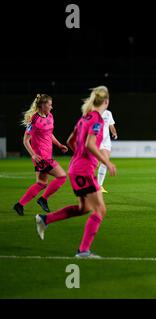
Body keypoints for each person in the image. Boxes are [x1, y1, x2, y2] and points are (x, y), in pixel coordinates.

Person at [35, 86, 116, 258]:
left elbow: (70, 140)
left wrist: (79, 156)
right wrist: (106, 162)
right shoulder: (97, 120)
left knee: (84, 208)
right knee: (100, 210)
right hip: (83, 171)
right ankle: (83, 251)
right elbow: (89, 144)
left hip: (75, 168)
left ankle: (45, 219)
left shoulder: (83, 118)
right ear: (106, 102)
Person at [13, 94, 68, 216]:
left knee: (42, 183)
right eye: (49, 104)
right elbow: (25, 140)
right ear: (42, 105)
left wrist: (59, 145)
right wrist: (33, 155)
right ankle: (43, 199)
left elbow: (49, 134)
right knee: (62, 176)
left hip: (48, 155)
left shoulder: (50, 116)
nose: (51, 107)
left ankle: (19, 205)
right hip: (41, 157)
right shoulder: (34, 120)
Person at [97, 109, 118, 193]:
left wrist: (114, 133)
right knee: (105, 161)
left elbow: (111, 125)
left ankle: (99, 186)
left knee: (104, 163)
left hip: (107, 141)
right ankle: (98, 186)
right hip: (97, 140)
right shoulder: (93, 112)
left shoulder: (108, 113)